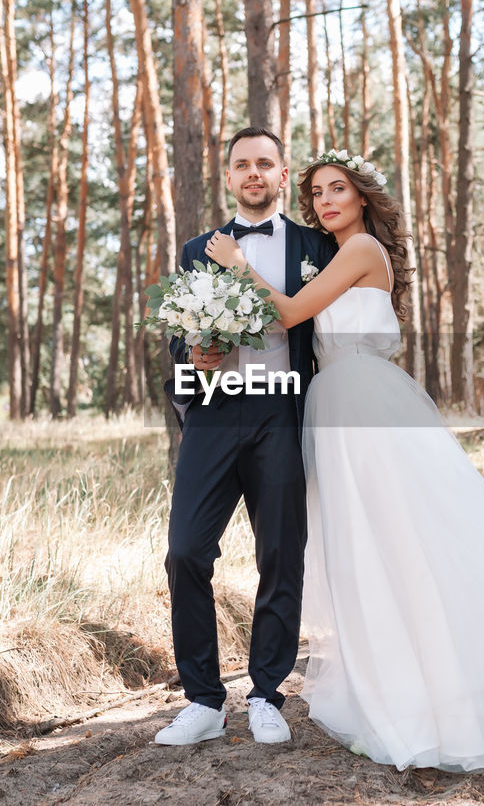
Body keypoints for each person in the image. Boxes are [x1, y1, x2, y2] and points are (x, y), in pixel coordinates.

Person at [205, 149, 484, 771]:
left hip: (362, 409)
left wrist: (234, 265)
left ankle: (446, 705)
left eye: (338, 189)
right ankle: (401, 688)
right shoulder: (337, 256)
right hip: (336, 406)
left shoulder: (361, 252)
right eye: (317, 194)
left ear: (362, 197)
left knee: (407, 546)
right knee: (372, 550)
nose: (326, 201)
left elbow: (286, 314)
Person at [154, 128, 337, 747]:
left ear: (283, 175)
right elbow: (178, 335)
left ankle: (265, 692)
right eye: (242, 165)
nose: (253, 172)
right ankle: (204, 700)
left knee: (281, 553)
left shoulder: (317, 245)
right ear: (228, 177)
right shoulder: (196, 248)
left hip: (284, 412)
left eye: (265, 163)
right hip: (212, 412)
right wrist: (194, 352)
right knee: (185, 551)